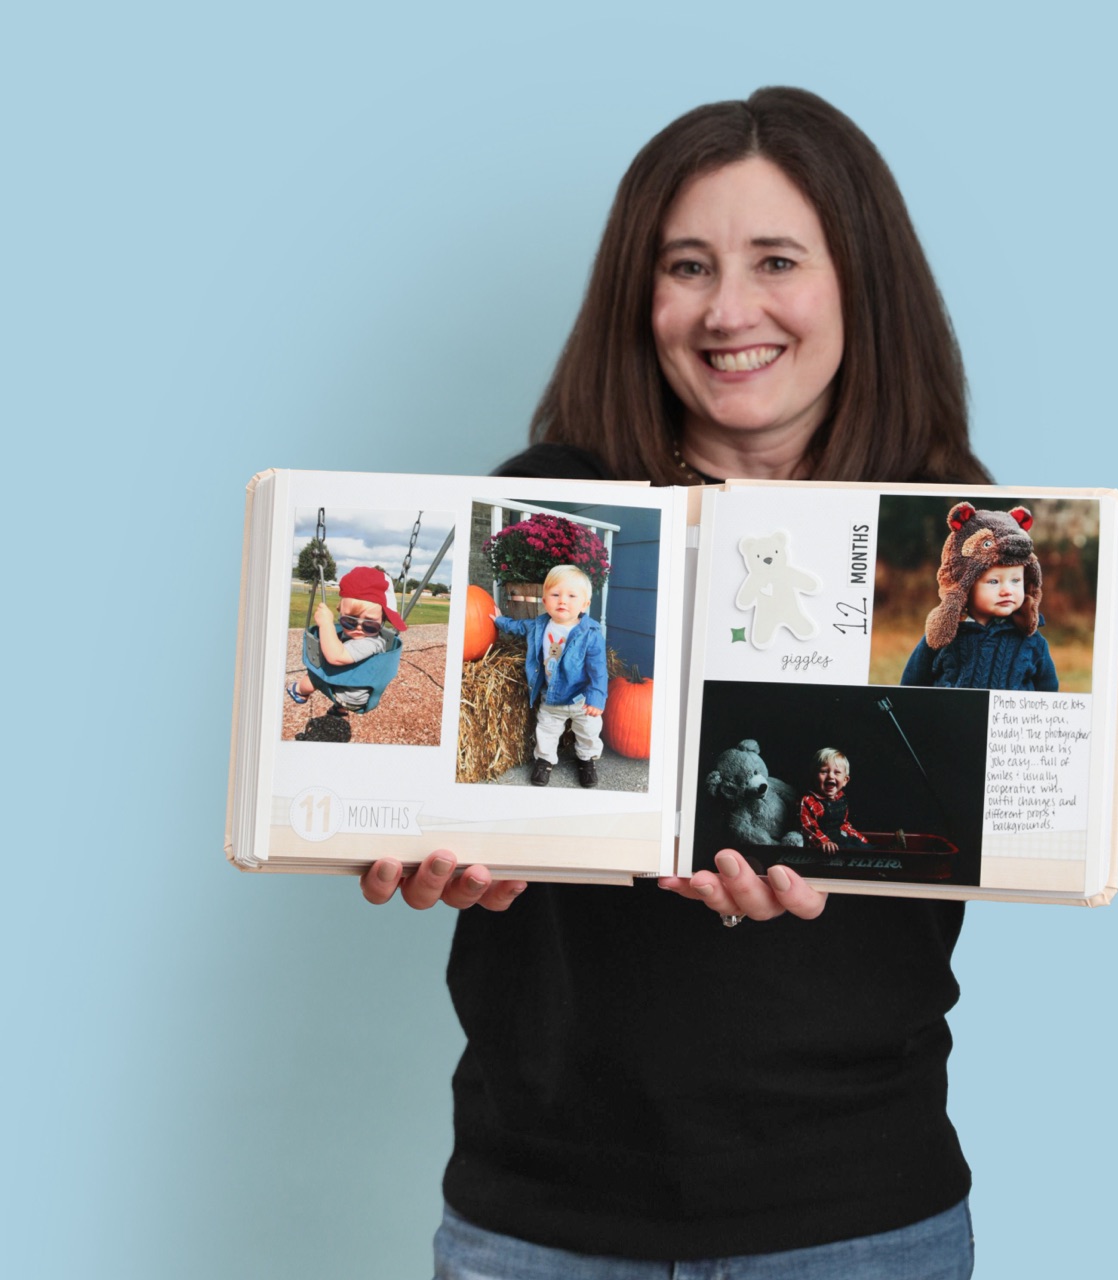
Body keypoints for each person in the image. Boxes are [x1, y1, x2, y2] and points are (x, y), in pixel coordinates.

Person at [363, 87, 991, 1278]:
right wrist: (416, 832)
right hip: (544, 1213)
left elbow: (953, 824)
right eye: (687, 265)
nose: (727, 310)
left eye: (774, 262)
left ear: (858, 281)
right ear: (637, 297)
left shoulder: (940, 540)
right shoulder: (543, 508)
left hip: (853, 1209)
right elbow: (477, 770)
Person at [900, 501, 1060, 691]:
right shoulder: (943, 637)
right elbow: (911, 685)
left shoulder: (1032, 642)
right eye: (994, 582)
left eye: (1016, 581)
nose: (1007, 590)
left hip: (1006, 719)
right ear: (966, 586)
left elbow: (1049, 694)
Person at [491, 564, 608, 788]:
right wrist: (499, 621)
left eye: (571, 596)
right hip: (551, 696)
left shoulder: (590, 634)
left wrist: (597, 697)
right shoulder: (540, 625)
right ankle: (544, 761)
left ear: (585, 604)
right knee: (546, 730)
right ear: (545, 601)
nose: (562, 601)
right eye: (555, 595)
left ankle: (587, 760)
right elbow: (519, 627)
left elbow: (598, 669)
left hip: (581, 699)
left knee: (588, 731)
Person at [287, 566, 406, 710]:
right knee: (348, 672)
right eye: (349, 621)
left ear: (383, 621)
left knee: (313, 676)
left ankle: (299, 691)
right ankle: (340, 710)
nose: (358, 628)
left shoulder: (371, 643)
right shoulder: (366, 635)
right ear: (339, 612)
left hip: (350, 697)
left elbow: (336, 657)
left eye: (370, 624)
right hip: (352, 687)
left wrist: (326, 624)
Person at [798, 747, 871, 853]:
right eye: (824, 771)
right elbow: (808, 827)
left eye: (837, 772)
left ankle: (888, 850)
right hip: (822, 845)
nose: (830, 776)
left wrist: (861, 839)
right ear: (814, 776)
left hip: (838, 838)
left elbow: (843, 824)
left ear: (845, 780)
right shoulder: (809, 801)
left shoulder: (841, 798)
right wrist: (824, 842)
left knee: (861, 845)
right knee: (850, 850)